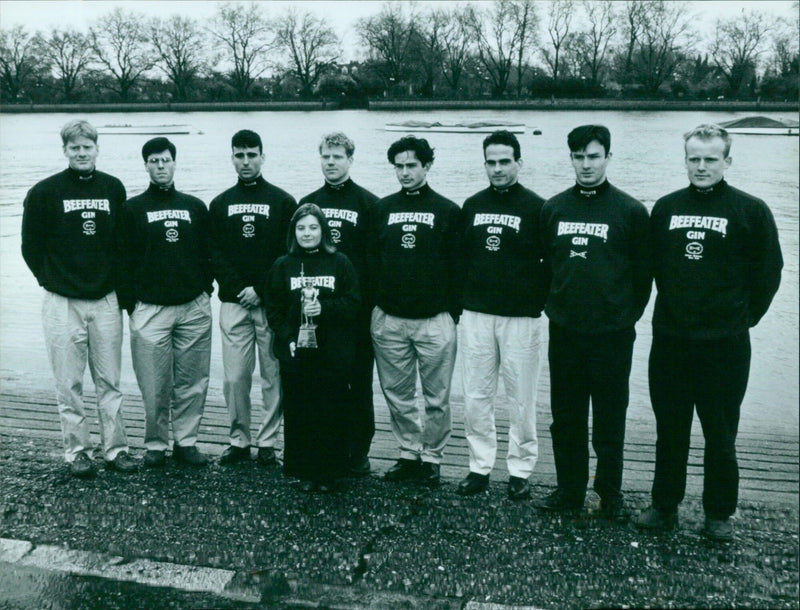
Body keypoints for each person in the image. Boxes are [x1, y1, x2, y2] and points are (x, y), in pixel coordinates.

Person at [635, 124, 782, 541]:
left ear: (727, 161)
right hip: (671, 341)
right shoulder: (664, 208)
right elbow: (650, 268)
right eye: (694, 158)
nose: (701, 166)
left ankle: (718, 513)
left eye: (710, 159)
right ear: (685, 160)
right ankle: (665, 506)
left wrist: (741, 319)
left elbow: (769, 274)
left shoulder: (751, 211)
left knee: (721, 432)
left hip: (725, 345)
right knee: (671, 428)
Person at [537, 125, 651, 520]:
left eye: (593, 156)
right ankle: (569, 489)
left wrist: (624, 315)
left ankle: (609, 493)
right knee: (565, 417)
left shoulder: (631, 211)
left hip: (612, 335)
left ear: (608, 158)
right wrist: (554, 305)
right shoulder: (553, 208)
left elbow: (644, 276)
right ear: (570, 159)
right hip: (565, 331)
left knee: (609, 417)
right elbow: (544, 267)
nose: (586, 164)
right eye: (578, 157)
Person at [21, 119, 138, 478]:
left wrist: (118, 288)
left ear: (97, 148)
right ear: (65, 151)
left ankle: (116, 448)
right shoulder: (44, 191)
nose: (82, 153)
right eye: (75, 148)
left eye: (87, 147)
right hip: (62, 301)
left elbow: (123, 245)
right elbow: (30, 247)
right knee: (69, 382)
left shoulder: (113, 188)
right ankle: (77, 452)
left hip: (105, 299)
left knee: (110, 380)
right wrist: (51, 280)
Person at [456, 130, 547, 501]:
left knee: (521, 396)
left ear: (519, 163)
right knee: (476, 395)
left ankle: (520, 468)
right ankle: (479, 466)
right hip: (477, 314)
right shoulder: (472, 205)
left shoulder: (539, 207)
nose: (497, 169)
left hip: (522, 318)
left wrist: (535, 303)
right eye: (491, 162)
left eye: (504, 161)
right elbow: (459, 259)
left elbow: (549, 265)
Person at [366, 136, 461, 488]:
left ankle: (433, 458)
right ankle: (408, 453)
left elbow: (458, 267)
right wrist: (379, 304)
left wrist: (452, 312)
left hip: (434, 321)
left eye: (411, 166)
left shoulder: (448, 210)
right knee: (398, 393)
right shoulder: (381, 209)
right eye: (399, 166)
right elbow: (371, 261)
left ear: (427, 166)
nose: (404, 172)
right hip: (389, 319)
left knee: (437, 397)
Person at [119, 137, 213, 468]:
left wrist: (205, 291)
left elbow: (208, 253)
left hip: (193, 307)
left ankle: (186, 442)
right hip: (150, 309)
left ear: (175, 163)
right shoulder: (131, 209)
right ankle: (156, 444)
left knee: (192, 380)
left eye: (166, 160)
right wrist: (132, 304)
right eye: (154, 161)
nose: (161, 166)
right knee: (155, 384)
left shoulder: (195, 207)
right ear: (145, 165)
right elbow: (122, 260)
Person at [209, 130, 296, 466]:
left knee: (273, 375)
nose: (246, 162)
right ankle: (238, 439)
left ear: (263, 156)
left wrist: (261, 289)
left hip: (271, 304)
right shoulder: (219, 203)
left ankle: (268, 441)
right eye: (239, 155)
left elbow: (285, 253)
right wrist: (238, 288)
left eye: (252, 155)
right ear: (232, 158)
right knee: (235, 378)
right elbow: (215, 253)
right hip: (233, 303)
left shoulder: (283, 202)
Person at [264, 203, 360, 493]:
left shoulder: (341, 262)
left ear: (324, 231)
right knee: (300, 410)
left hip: (332, 352)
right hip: (298, 351)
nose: (307, 233)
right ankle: (304, 470)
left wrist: (324, 308)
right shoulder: (283, 265)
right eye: (301, 228)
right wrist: (286, 337)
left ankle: (330, 472)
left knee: (330, 409)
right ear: (294, 232)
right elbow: (274, 309)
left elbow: (354, 303)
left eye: (313, 227)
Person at [299, 132, 379, 477]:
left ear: (350, 159)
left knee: (358, 383)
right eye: (326, 156)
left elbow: (378, 263)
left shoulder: (369, 204)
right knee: (319, 385)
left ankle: (358, 450)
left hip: (355, 313)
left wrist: (366, 305)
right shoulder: (307, 203)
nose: (331, 162)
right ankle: (325, 449)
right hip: (314, 316)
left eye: (338, 156)